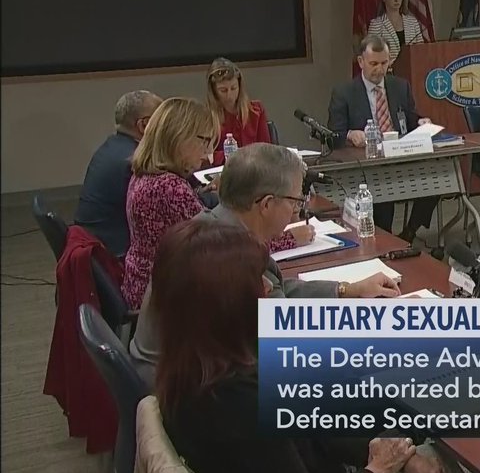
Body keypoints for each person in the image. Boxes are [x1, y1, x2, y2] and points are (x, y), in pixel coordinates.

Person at [155, 218, 473, 473]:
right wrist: (379, 470)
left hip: (326, 466)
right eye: (255, 280)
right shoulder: (237, 404)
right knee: (446, 470)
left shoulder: (195, 364)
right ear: (226, 304)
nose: (267, 287)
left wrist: (393, 449)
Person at [130, 143, 395, 383]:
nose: (298, 211)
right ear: (266, 204)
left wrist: (346, 290)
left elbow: (276, 289)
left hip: (184, 375)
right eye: (295, 201)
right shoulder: (224, 255)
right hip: (186, 392)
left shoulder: (217, 226)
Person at [328, 35, 439, 242]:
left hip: (401, 157)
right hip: (368, 166)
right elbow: (333, 135)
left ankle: (410, 231)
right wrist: (350, 134)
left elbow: (410, 118)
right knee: (382, 198)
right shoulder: (344, 93)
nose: (379, 69)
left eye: (384, 63)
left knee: (436, 179)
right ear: (361, 62)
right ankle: (385, 240)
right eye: (374, 64)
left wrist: (421, 122)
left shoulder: (400, 86)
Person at [121, 98, 219, 309]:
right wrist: (284, 237)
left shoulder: (147, 175)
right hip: (166, 302)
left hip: (148, 287)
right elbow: (221, 244)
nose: (207, 155)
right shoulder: (169, 187)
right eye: (204, 141)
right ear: (179, 137)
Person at [74, 90, 162, 258]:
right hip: (116, 253)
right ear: (144, 125)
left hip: (95, 243)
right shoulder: (134, 160)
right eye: (163, 119)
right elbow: (167, 206)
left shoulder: (111, 146)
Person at [206, 57, 272, 166]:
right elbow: (206, 156)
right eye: (223, 90)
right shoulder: (206, 116)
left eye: (233, 88)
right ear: (214, 91)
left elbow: (266, 149)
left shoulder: (256, 110)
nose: (229, 95)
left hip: (253, 168)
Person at [366, 0, 427, 64]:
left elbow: (420, 48)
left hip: (413, 67)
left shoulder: (412, 22)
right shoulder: (376, 24)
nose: (396, 0)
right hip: (388, 69)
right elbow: (372, 53)